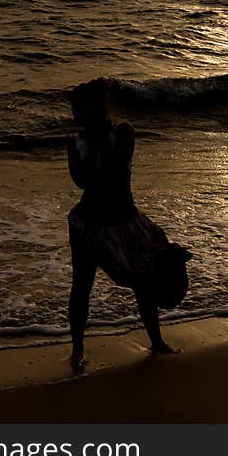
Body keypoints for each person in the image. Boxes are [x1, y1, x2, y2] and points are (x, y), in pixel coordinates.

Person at [66, 78, 178, 372]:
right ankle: (77, 348)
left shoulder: (123, 132)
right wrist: (95, 157)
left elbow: (114, 168)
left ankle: (157, 341)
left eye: (79, 109)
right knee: (81, 286)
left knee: (143, 283)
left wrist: (94, 156)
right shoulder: (74, 142)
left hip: (125, 222)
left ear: (97, 108)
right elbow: (81, 181)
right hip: (87, 225)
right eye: (73, 110)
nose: (75, 116)